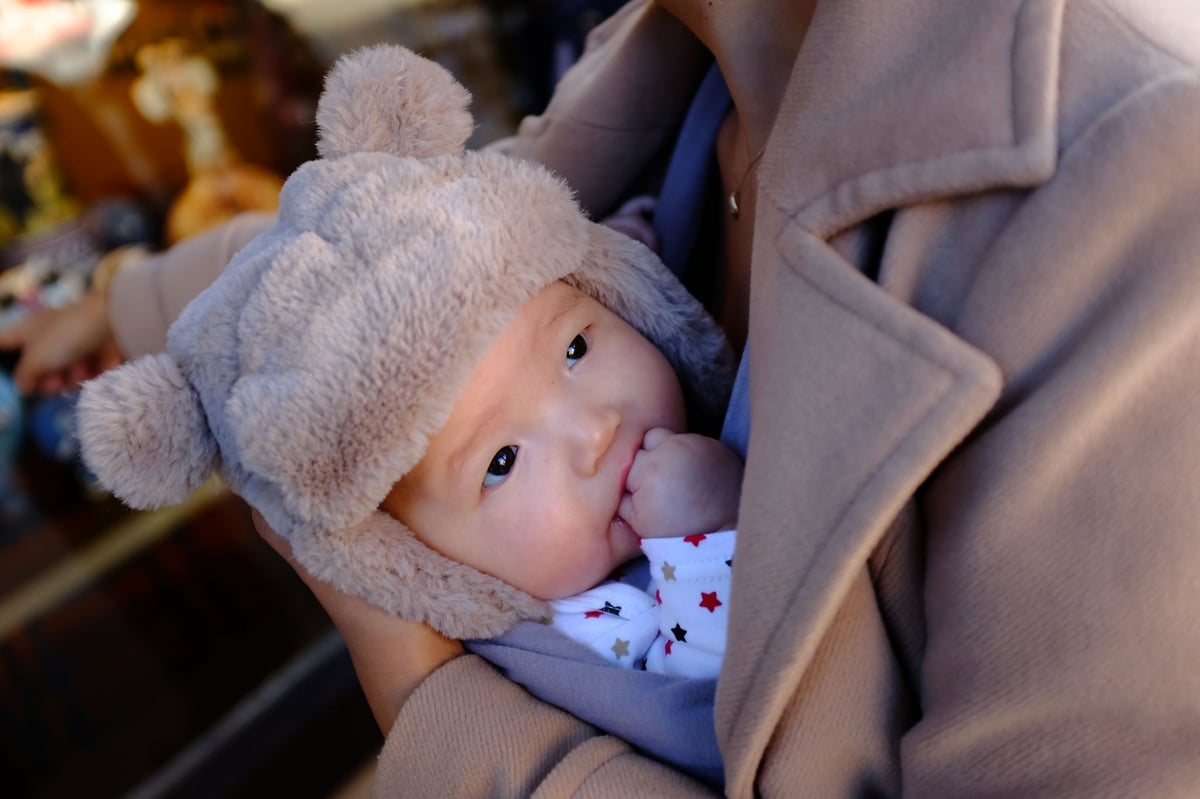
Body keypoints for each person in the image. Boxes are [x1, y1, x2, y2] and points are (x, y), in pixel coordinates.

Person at [5, 0, 1200, 795]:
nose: (590, 433)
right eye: (502, 464)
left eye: (581, 350)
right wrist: (121, 304)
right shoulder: (681, 60)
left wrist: (425, 693)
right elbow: (387, 264)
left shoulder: (1135, 186)